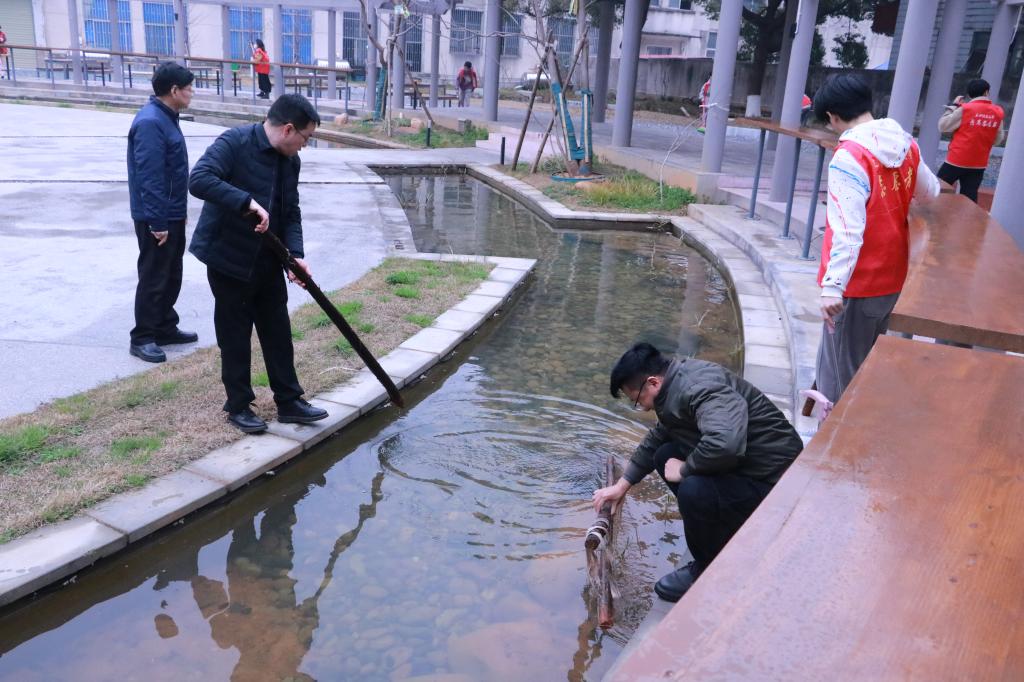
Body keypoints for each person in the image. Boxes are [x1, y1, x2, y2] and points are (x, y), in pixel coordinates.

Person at [593, 342, 804, 602]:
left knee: (693, 489)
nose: (643, 408)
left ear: (653, 383)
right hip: (753, 469)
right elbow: (660, 435)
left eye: (637, 400)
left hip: (779, 487)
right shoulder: (677, 382)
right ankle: (722, 534)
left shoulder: (699, 388)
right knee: (664, 454)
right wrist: (622, 485)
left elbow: (725, 444)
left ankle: (708, 569)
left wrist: (685, 469)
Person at [188, 94, 328, 434]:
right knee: (235, 333)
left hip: (268, 257)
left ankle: (289, 401)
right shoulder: (235, 143)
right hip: (228, 256)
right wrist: (245, 201)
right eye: (306, 137)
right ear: (288, 129)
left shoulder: (290, 161)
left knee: (277, 328)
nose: (305, 145)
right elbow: (199, 179)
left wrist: (295, 256)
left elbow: (290, 211)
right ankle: (238, 404)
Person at [811, 74, 940, 406]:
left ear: (832, 117)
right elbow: (930, 192)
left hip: (855, 285)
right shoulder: (905, 144)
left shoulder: (849, 157)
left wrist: (832, 287)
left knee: (839, 379)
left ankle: (837, 437)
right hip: (891, 278)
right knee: (865, 366)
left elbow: (848, 231)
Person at [127, 61, 197, 363]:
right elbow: (150, 176)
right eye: (189, 88)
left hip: (171, 212)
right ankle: (143, 336)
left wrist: (178, 212)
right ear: (174, 90)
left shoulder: (166, 117)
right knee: (155, 275)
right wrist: (158, 221)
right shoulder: (150, 122)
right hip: (156, 216)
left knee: (171, 273)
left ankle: (165, 326)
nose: (192, 93)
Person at [937, 78, 1005, 204]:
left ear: (969, 94)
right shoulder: (998, 112)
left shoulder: (965, 109)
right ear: (986, 92)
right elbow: (998, 140)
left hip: (955, 160)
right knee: (969, 198)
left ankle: (935, 214)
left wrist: (953, 106)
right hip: (979, 164)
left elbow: (943, 126)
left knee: (938, 190)